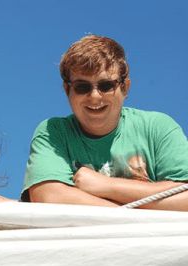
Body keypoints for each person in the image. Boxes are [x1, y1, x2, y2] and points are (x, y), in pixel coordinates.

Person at [21, 35, 188, 210]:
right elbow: (49, 196)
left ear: (125, 87)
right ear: (67, 90)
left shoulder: (157, 127)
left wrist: (106, 186)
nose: (94, 96)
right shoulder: (52, 132)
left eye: (106, 86)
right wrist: (139, 211)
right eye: (82, 87)